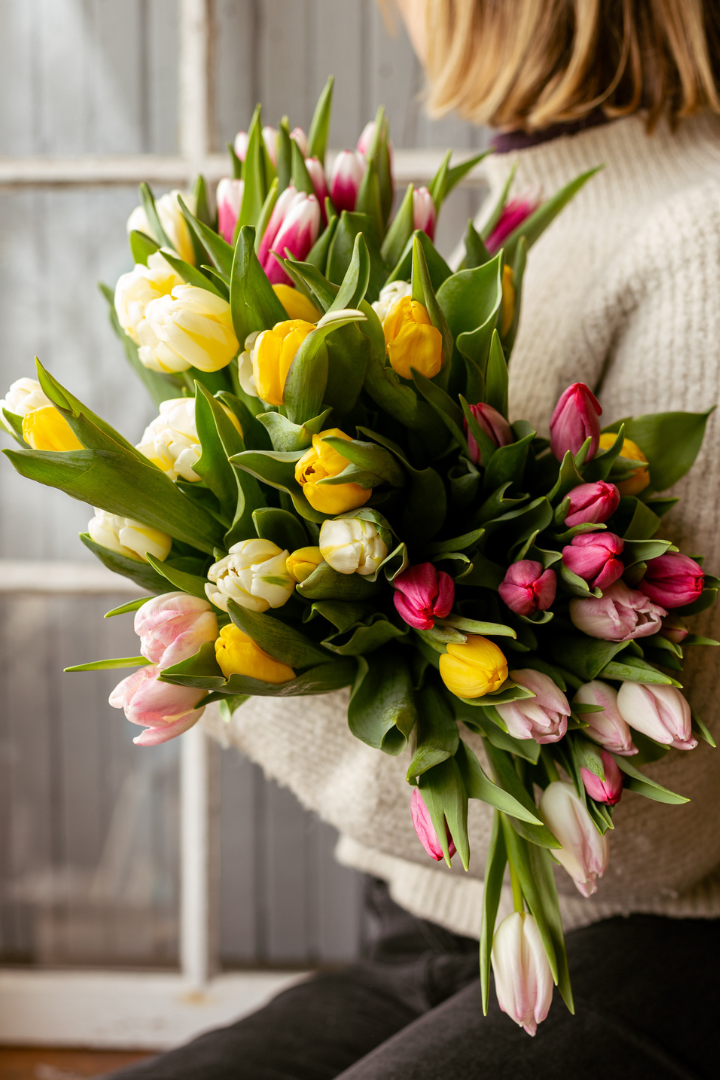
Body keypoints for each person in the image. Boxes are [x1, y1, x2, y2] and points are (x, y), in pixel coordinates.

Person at [107, 2, 720, 1076]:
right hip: (434, 934)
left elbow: (650, 839)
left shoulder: (698, 237)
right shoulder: (520, 200)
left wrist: (243, 671)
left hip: (663, 956)